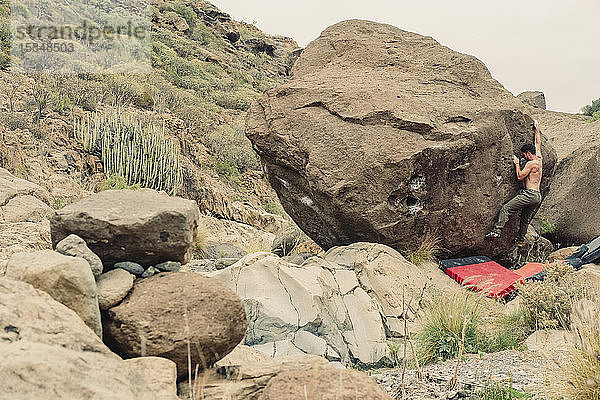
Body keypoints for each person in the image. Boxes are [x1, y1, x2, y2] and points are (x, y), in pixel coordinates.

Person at [485, 120, 543, 245]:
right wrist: (536, 129)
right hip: (537, 196)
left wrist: (517, 164)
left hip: (529, 194)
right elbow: (538, 143)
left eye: (524, 155)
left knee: (506, 208)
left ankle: (496, 230)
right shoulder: (539, 158)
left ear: (528, 153)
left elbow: (520, 176)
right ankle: (521, 239)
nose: (523, 157)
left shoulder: (531, 163)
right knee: (524, 219)